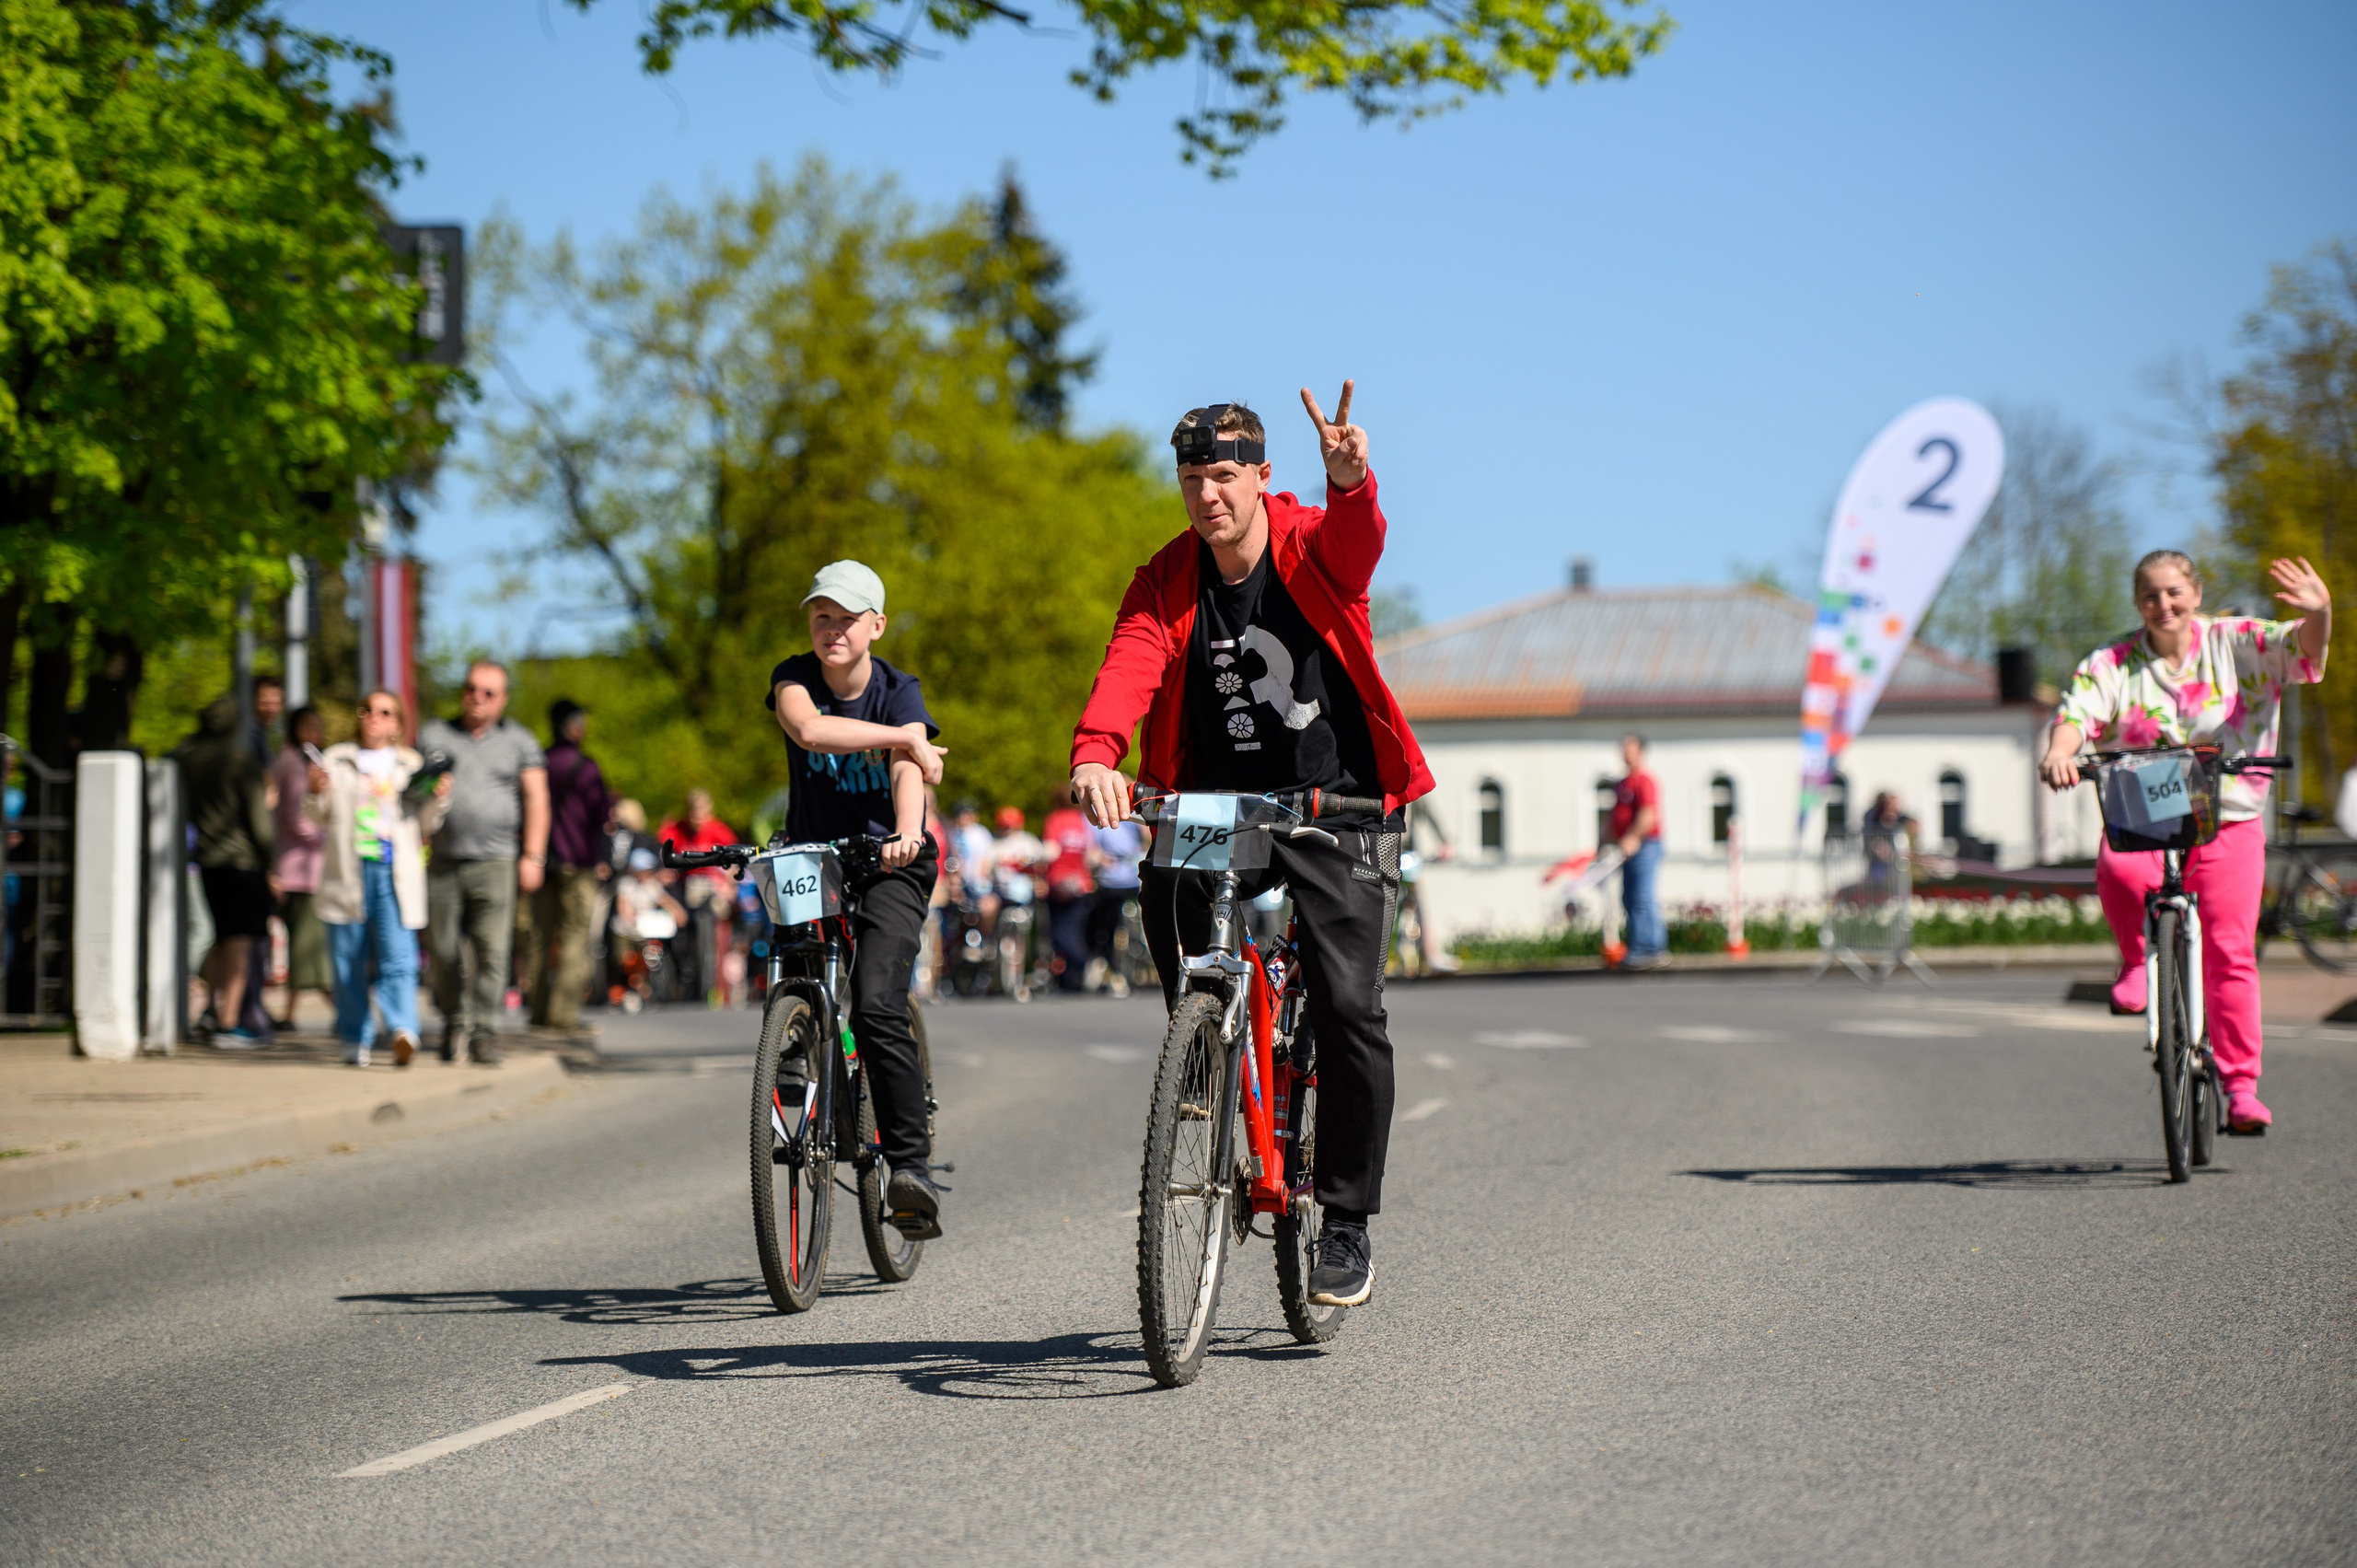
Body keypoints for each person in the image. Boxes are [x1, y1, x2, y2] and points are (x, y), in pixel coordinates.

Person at [1069, 385, 1434, 1309]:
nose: (1207, 496)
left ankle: (1344, 1219)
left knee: (1351, 1006)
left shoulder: (1308, 538)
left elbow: (1356, 554)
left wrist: (1350, 485)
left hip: (1336, 799)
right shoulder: (1166, 575)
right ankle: (1203, 1043)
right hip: (1218, 797)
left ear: (1262, 477)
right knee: (1166, 878)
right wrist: (1096, 751)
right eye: (1192, 479)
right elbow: (1131, 659)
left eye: (1224, 477)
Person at [2041, 551, 2330, 1135]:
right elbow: (2078, 712)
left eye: (2174, 592)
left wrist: (2321, 611)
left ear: (2196, 593)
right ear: (2138, 603)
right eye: (2150, 595)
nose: (2163, 605)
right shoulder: (2114, 661)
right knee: (2122, 872)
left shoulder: (2236, 641)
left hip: (2232, 812)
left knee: (2230, 950)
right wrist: (2061, 751)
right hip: (2146, 804)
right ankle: (2134, 960)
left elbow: (2303, 649)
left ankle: (2241, 1087)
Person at [768, 559, 949, 1236]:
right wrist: (908, 737)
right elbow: (810, 730)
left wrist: (908, 830)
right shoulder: (794, 678)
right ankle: (792, 1054)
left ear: (875, 625)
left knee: (876, 1003)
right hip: (815, 855)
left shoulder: (900, 691)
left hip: (888, 864)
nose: (832, 629)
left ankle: (910, 1167)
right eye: (822, 616)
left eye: (846, 618)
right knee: (793, 958)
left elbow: (911, 776)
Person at [305, 690, 450, 1066]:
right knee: (348, 959)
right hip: (348, 868)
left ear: (397, 724)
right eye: (368, 710)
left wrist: (438, 797)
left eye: (385, 713)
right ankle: (356, 1037)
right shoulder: (338, 759)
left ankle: (404, 1030)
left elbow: (427, 822)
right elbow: (316, 817)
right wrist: (314, 790)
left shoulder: (410, 763)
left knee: (398, 953)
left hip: (394, 869)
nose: (374, 717)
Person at [419, 661, 549, 1066]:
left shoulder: (520, 741)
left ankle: (485, 1032)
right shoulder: (434, 734)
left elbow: (537, 799)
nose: (477, 697)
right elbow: (410, 789)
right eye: (471, 688)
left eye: (488, 692)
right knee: (442, 951)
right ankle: (455, 1020)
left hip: (496, 861)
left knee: (493, 950)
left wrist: (533, 856)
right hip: (442, 859)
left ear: (503, 699)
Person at [176, 696, 275, 1045]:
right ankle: (229, 1021)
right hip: (241, 862)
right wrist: (271, 861)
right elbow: (258, 821)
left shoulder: (189, 759)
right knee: (239, 941)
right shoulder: (239, 760)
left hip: (205, 859)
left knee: (220, 937)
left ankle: (208, 1013)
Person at [524, 699, 613, 1037]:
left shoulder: (539, 764)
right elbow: (601, 817)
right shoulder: (587, 768)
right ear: (573, 726)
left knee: (538, 938)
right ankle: (562, 1016)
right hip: (577, 865)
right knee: (576, 938)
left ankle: (537, 1010)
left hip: (540, 863)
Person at [270, 705, 334, 1028]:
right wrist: (331, 831)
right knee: (306, 945)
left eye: (317, 726)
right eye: (306, 726)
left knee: (309, 945)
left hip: (311, 870)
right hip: (298, 871)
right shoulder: (293, 765)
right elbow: (299, 818)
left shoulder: (314, 764)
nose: (313, 733)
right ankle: (336, 1009)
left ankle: (294, 1012)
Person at [659, 789, 739, 1007]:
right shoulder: (675, 828)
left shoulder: (719, 830)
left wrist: (728, 882)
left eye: (702, 813)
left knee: (715, 925)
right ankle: (683, 977)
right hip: (684, 889)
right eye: (694, 813)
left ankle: (713, 985)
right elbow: (662, 856)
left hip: (712, 888)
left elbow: (736, 861)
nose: (698, 820)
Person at [1609, 734, 1666, 970]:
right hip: (1627, 849)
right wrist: (1602, 843)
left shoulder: (1645, 781)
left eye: (1629, 748)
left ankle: (1652, 949)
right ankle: (1637, 947)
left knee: (1643, 897)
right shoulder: (1622, 784)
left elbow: (1648, 814)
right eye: (1623, 748)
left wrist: (1633, 837)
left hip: (1646, 846)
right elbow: (1614, 818)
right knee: (1629, 898)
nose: (1625, 752)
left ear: (1640, 752)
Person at [1041, 785, 1097, 993]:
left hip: (1059, 883)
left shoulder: (1055, 820)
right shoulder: (1082, 820)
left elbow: (1051, 851)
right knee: (1075, 930)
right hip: (1081, 883)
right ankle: (1071, 979)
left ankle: (1083, 963)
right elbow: (1091, 855)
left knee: (1058, 933)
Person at [1086, 804, 1146, 993]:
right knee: (1107, 925)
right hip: (1111, 881)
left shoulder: (1136, 818)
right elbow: (1092, 848)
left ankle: (1141, 958)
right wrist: (1100, 859)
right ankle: (1110, 965)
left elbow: (1149, 840)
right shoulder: (1100, 817)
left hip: (1134, 879)